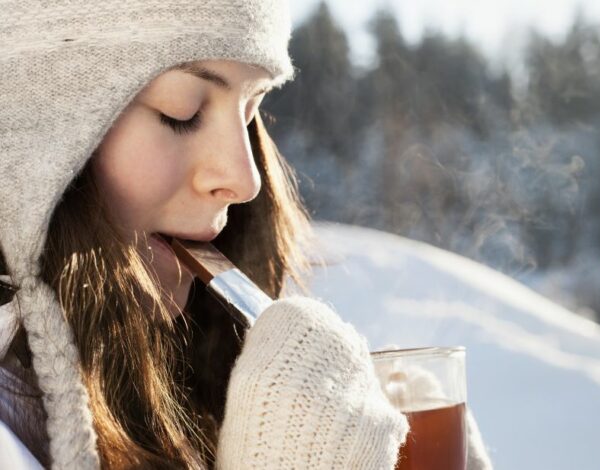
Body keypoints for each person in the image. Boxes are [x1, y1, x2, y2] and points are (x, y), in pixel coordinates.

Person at [0, 1, 493, 469]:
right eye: (182, 111)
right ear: (34, 127)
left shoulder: (175, 388)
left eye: (252, 110)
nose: (246, 178)